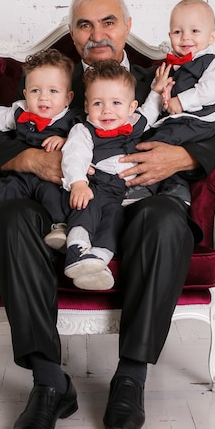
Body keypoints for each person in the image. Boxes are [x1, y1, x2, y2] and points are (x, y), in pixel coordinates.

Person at [0, 0, 215, 429]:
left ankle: (130, 378)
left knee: (167, 221)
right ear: (72, 35)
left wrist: (182, 158)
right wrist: (33, 160)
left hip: (135, 202)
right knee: (10, 220)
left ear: (128, 28)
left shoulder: (167, 74)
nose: (97, 33)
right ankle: (49, 380)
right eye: (84, 24)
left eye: (108, 21)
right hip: (59, 205)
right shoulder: (53, 77)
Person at [0, 49, 82, 249]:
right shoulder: (19, 112)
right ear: (26, 94)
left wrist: (65, 140)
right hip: (22, 173)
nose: (43, 98)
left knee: (55, 197)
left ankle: (59, 229)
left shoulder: (73, 120)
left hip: (51, 178)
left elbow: (85, 139)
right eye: (36, 91)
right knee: (4, 188)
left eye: (53, 91)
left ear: (68, 97)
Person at [61, 59, 170, 291]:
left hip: (122, 193)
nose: (107, 110)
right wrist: (79, 183)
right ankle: (76, 249)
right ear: (87, 105)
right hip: (97, 184)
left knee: (114, 221)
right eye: (98, 103)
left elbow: (151, 109)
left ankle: (98, 260)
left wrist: (158, 89)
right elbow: (75, 156)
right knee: (86, 206)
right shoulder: (83, 129)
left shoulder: (134, 122)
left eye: (116, 103)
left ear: (131, 108)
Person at [144, 0, 215, 204]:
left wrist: (180, 101)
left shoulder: (212, 64)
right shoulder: (173, 67)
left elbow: (210, 90)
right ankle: (170, 188)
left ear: (212, 36)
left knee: (158, 145)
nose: (185, 38)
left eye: (195, 31)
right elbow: (165, 100)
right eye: (178, 32)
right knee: (150, 140)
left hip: (197, 122)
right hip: (178, 120)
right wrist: (161, 92)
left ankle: (149, 187)